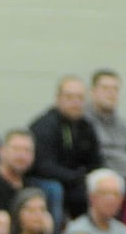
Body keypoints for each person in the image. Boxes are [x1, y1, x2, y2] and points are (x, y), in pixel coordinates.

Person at [29, 74, 102, 221]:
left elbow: (96, 161)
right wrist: (75, 177)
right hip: (46, 181)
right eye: (69, 97)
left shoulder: (86, 127)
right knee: (55, 190)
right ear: (58, 98)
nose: (75, 102)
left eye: (80, 98)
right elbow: (43, 166)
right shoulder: (44, 126)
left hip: (76, 182)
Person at [83, 68, 126, 179]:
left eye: (115, 89)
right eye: (105, 88)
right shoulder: (83, 123)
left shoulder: (124, 126)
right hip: (101, 179)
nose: (111, 93)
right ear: (92, 92)